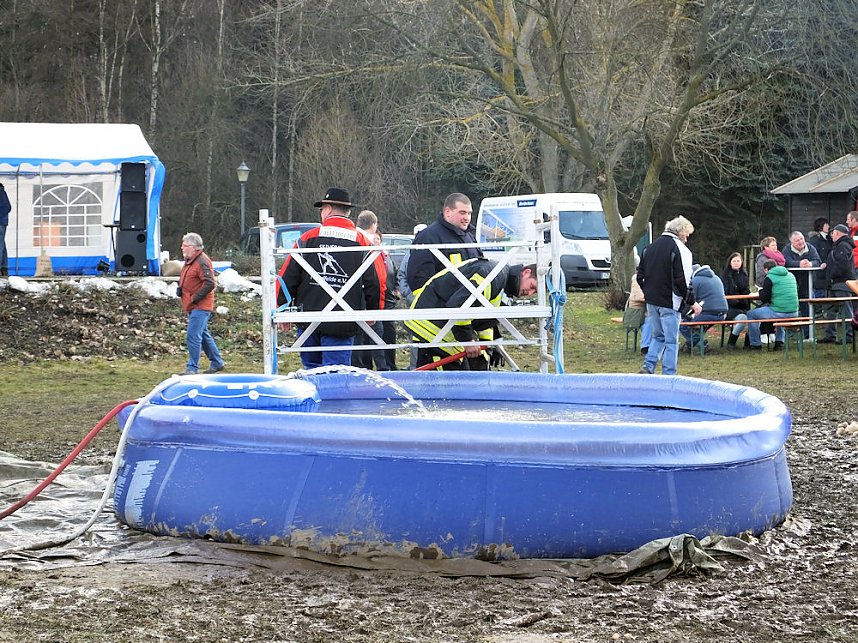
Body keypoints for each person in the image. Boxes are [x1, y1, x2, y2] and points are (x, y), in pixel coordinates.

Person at [276, 187, 385, 369]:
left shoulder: (307, 238)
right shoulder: (362, 242)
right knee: (337, 374)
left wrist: (282, 309)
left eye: (321, 210)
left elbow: (287, 277)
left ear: (327, 208)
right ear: (348, 212)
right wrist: (373, 311)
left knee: (312, 371)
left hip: (308, 316)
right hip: (342, 320)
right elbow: (377, 281)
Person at [406, 258, 537, 370]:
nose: (529, 294)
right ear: (526, 272)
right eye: (532, 287)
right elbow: (460, 307)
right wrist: (468, 340)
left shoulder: (501, 284)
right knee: (441, 390)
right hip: (432, 327)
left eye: (534, 292)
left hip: (447, 331)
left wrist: (485, 351)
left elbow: (484, 322)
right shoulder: (492, 276)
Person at [636, 215, 699, 375]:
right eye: (687, 234)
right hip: (670, 301)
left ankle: (648, 366)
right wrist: (692, 302)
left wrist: (648, 292)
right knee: (671, 341)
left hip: (652, 300)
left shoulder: (649, 248)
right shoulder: (681, 250)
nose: (687, 239)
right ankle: (669, 374)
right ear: (681, 231)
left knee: (658, 337)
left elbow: (639, 276)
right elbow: (682, 280)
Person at [406, 193, 482, 293]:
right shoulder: (427, 237)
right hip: (444, 306)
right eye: (462, 213)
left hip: (470, 302)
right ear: (447, 212)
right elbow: (418, 280)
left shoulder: (469, 236)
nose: (467, 218)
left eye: (469, 213)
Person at [178, 232, 225, 375]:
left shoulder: (202, 261)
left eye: (185, 245)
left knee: (193, 335)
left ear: (193, 247)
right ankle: (217, 362)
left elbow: (210, 283)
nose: (182, 248)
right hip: (193, 304)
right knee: (203, 334)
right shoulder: (191, 260)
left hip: (201, 305)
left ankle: (192, 368)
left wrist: (195, 298)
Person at [746, 260, 799, 351]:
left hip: (779, 311)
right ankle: (779, 342)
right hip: (794, 311)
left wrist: (761, 291)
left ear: (766, 270)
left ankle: (755, 344)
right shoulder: (791, 275)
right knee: (781, 312)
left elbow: (765, 298)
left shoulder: (770, 277)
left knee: (751, 314)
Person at [398, 223, 428, 370]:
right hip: (414, 303)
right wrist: (410, 296)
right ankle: (415, 368)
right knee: (415, 336)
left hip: (432, 304)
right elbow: (402, 276)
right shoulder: (410, 253)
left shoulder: (435, 251)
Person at [820, 223, 857, 344]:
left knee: (846, 310)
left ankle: (849, 336)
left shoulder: (843, 246)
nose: (832, 236)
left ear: (837, 233)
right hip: (836, 283)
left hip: (842, 283)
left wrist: (832, 274)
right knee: (831, 309)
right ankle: (830, 335)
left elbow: (842, 265)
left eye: (833, 233)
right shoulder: (841, 245)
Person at [680, 264, 728, 352]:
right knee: (699, 325)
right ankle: (691, 345)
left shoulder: (695, 281)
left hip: (708, 313)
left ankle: (702, 344)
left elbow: (690, 301)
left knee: (682, 324)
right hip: (723, 314)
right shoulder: (717, 278)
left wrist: (682, 314)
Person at [782, 230, 821, 336]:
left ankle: (808, 334)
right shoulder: (787, 250)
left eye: (801, 239)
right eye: (797, 240)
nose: (801, 242)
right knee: (790, 308)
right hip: (791, 285)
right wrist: (799, 264)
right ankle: (788, 334)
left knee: (807, 308)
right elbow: (786, 262)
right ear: (792, 243)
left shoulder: (810, 248)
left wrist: (810, 264)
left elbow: (817, 260)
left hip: (807, 284)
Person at [720, 252, 751, 348]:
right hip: (729, 307)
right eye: (734, 261)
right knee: (742, 319)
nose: (736, 263)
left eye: (738, 261)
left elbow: (746, 290)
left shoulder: (744, 275)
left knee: (754, 317)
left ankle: (749, 343)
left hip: (743, 305)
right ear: (730, 262)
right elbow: (725, 293)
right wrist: (738, 302)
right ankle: (731, 342)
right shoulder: (725, 275)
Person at [807, 218, 832, 298]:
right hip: (819, 272)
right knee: (819, 294)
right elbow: (814, 254)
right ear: (821, 226)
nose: (828, 226)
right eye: (826, 224)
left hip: (827, 272)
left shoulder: (828, 239)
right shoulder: (815, 239)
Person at [0, 182, 10, 276]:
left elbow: (7, 207)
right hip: (2, 222)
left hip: (1, 223)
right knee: (2, 245)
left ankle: (3, 267)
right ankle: (4, 268)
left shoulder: (0, 191)